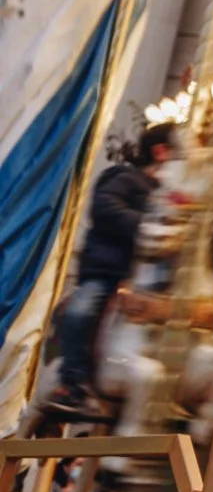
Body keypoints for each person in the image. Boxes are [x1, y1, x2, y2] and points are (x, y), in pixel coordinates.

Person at [48, 122, 175, 413]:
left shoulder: (170, 196)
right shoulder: (125, 178)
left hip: (147, 282)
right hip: (108, 272)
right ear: (160, 152)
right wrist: (146, 225)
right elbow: (105, 207)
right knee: (80, 312)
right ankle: (73, 382)